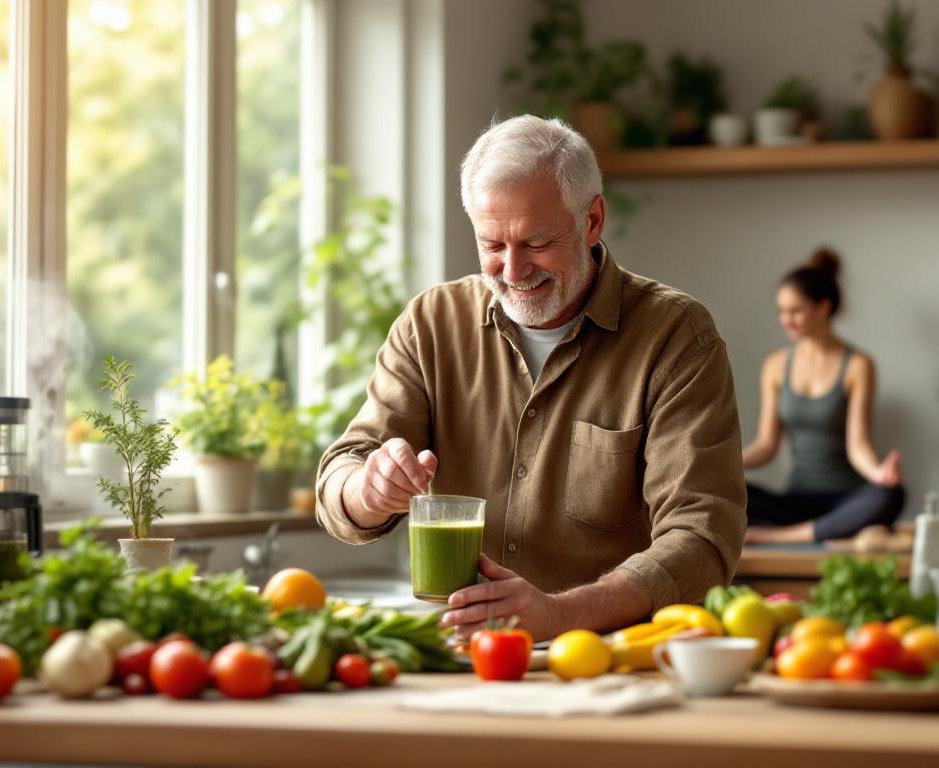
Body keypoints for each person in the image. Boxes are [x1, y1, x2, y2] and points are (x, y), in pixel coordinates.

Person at [314, 115, 746, 641]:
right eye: (492, 245)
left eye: (537, 242)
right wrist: (367, 489)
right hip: (461, 656)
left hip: (608, 659)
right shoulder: (431, 324)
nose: (513, 271)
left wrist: (563, 614)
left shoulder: (675, 336)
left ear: (592, 221)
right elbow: (342, 468)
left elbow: (703, 537)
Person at [741, 249, 906, 544]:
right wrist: (721, 465)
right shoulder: (775, 366)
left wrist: (878, 473)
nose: (786, 320)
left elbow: (858, 445)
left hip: (845, 499)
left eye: (795, 311)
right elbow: (766, 445)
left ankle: (776, 538)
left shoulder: (858, 365)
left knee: (890, 495)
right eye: (781, 311)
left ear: (823, 307)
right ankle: (832, 532)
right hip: (795, 500)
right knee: (724, 489)